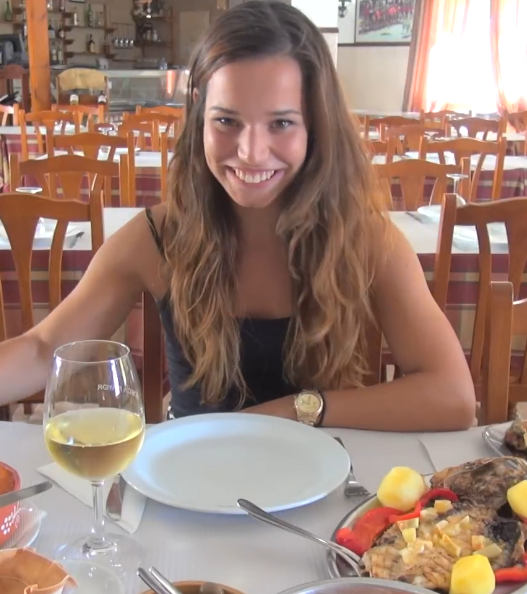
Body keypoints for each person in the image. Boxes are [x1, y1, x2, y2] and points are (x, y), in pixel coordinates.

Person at [0, 1, 475, 431]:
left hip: (326, 485)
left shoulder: (367, 238)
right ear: (199, 116)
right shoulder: (156, 236)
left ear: (316, 125)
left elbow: (453, 397)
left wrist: (291, 410)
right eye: (227, 121)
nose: (251, 152)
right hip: (189, 481)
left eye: (281, 123)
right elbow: (43, 350)